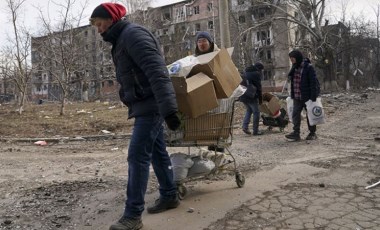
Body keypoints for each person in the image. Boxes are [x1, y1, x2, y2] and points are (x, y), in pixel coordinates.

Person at [90, 3, 181, 230]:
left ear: (111, 20)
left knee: (137, 155)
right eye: (96, 27)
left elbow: (157, 72)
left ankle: (132, 215)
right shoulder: (121, 39)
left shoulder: (133, 35)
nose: (99, 30)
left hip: (150, 106)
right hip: (144, 103)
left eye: (100, 24)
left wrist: (169, 110)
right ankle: (170, 194)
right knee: (157, 152)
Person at [285, 49, 320, 141]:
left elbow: (313, 83)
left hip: (307, 96)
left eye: (293, 59)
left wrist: (313, 96)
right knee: (295, 115)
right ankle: (296, 133)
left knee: (310, 115)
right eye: (291, 59)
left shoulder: (308, 67)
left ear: (298, 58)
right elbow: (292, 82)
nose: (291, 61)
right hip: (297, 96)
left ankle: (312, 133)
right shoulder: (294, 67)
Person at [239, 63, 264, 136]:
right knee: (256, 112)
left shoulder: (245, 72)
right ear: (259, 69)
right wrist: (260, 99)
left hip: (243, 94)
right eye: (261, 70)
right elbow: (259, 88)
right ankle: (255, 131)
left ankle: (245, 127)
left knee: (249, 110)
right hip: (251, 96)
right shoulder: (256, 74)